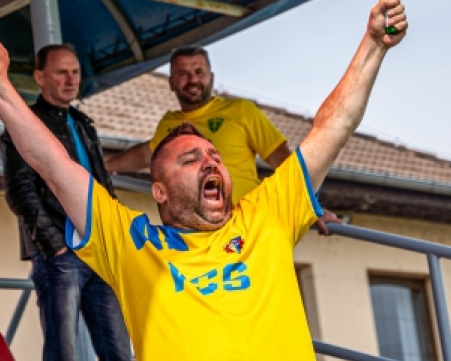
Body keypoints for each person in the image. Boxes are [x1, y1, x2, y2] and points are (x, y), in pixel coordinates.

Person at [0, 0, 407, 361]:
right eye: (190, 158)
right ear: (158, 191)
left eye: (213, 154)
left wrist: (373, 45)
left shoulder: (267, 214)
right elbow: (51, 163)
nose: (211, 161)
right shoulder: (131, 244)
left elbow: (332, 126)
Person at [2, 44, 137, 361]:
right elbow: (20, 190)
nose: (70, 79)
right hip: (60, 253)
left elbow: (103, 186)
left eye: (75, 72)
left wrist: (114, 238)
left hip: (100, 250)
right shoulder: (26, 123)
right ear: (39, 77)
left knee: (120, 356)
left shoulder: (83, 123)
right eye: (61, 72)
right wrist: (54, 245)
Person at [104, 45, 340, 233]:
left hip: (246, 227)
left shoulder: (241, 111)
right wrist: (105, 167)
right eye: (183, 74)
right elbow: (148, 154)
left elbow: (288, 166)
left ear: (211, 77)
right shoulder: (169, 123)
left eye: (199, 72)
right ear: (171, 82)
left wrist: (313, 209)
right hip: (194, 234)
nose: (192, 79)